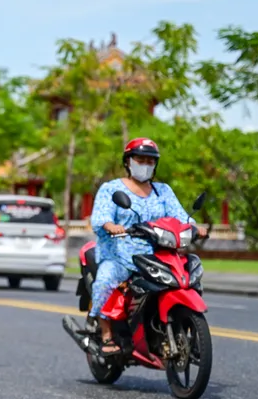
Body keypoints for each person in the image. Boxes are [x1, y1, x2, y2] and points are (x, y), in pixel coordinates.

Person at [88, 138, 207, 355]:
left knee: (186, 278)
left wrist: (194, 227)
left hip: (157, 254)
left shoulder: (162, 191)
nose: (145, 165)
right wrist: (110, 225)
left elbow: (180, 216)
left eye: (150, 161)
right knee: (105, 281)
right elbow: (101, 216)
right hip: (120, 254)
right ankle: (106, 333)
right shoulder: (111, 189)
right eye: (140, 160)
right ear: (128, 162)